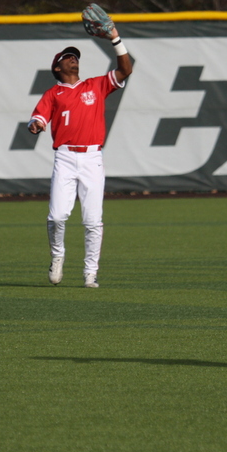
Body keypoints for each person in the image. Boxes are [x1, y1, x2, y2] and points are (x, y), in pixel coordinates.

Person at [28, 27, 133, 288]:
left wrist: (115, 39)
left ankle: (90, 272)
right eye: (67, 57)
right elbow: (38, 117)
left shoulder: (95, 85)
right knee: (56, 217)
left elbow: (125, 70)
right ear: (57, 68)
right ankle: (57, 256)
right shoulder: (54, 94)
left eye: (74, 56)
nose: (73, 58)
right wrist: (35, 125)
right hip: (64, 157)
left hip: (92, 157)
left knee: (92, 220)